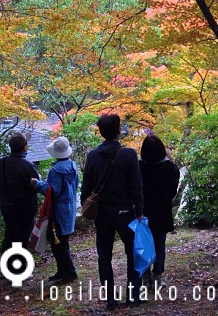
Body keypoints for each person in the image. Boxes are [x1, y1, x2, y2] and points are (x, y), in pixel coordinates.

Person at [80, 114, 144, 310]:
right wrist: (139, 211)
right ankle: (133, 296)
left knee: (104, 255)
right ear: (118, 130)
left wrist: (87, 207)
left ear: (100, 131)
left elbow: (86, 187)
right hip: (126, 212)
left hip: (103, 214)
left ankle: (110, 299)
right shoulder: (129, 154)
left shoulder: (92, 156)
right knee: (133, 253)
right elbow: (136, 186)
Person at [31, 136, 79, 283]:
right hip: (70, 208)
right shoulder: (72, 166)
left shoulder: (55, 171)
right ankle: (62, 271)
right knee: (62, 241)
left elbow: (52, 192)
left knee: (59, 243)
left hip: (57, 211)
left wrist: (37, 184)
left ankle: (69, 273)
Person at [139, 134, 180, 288]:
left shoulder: (138, 167)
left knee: (142, 245)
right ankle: (157, 277)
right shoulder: (170, 168)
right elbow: (172, 191)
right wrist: (171, 159)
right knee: (159, 244)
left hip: (143, 213)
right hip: (162, 212)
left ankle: (145, 277)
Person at [0, 132, 40, 253]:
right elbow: (37, 186)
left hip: (6, 206)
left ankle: (7, 266)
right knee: (23, 238)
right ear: (24, 147)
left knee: (10, 235)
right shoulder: (27, 166)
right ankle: (19, 268)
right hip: (25, 208)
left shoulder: (2, 163)